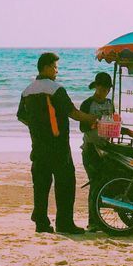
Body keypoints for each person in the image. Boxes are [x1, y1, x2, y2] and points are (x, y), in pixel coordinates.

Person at [16, 51, 99, 234]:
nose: (56, 71)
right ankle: (64, 223)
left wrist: (37, 127)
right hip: (58, 145)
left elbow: (21, 115)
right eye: (55, 67)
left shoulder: (27, 90)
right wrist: (93, 119)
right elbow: (73, 112)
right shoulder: (55, 89)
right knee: (66, 183)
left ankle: (41, 223)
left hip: (38, 145)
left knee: (41, 185)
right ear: (45, 68)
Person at [80, 71, 133, 230]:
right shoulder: (87, 104)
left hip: (107, 149)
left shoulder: (109, 104)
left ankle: (99, 218)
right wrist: (94, 124)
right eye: (102, 88)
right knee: (95, 184)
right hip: (91, 148)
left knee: (106, 183)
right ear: (96, 87)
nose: (105, 91)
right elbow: (82, 127)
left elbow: (114, 126)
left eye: (107, 89)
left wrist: (128, 132)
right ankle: (93, 222)